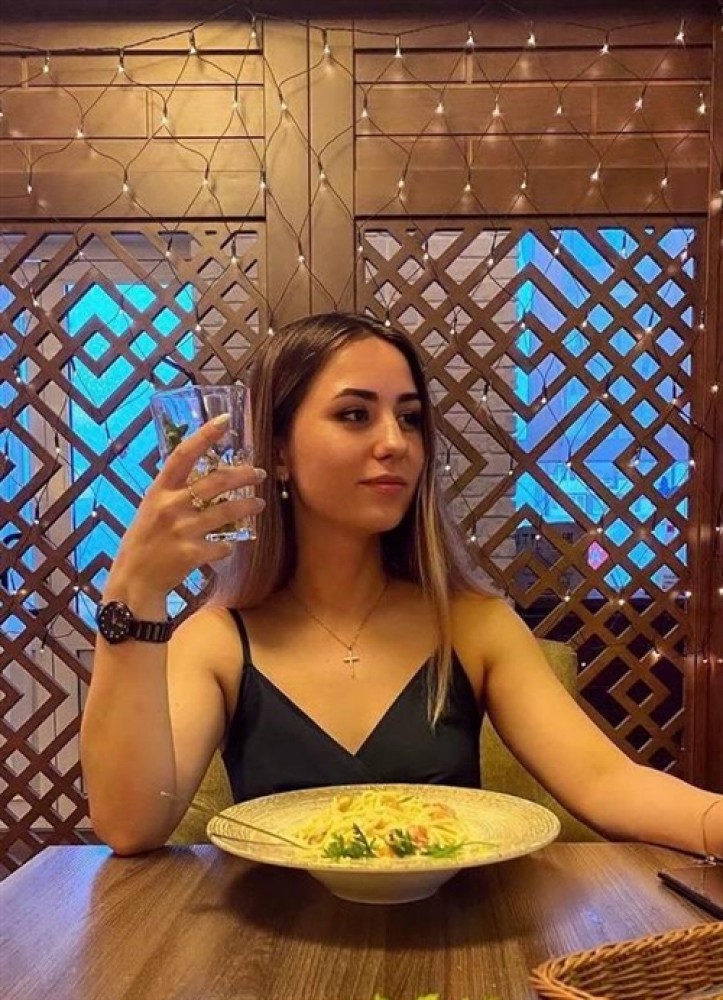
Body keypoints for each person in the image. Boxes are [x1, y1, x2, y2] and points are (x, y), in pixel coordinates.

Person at [81, 312, 723, 858]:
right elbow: (131, 825)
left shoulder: (472, 623)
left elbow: (607, 782)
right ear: (276, 450)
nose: (395, 442)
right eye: (355, 414)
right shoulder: (220, 640)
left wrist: (712, 823)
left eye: (410, 418)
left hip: (456, 943)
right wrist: (133, 592)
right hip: (275, 949)